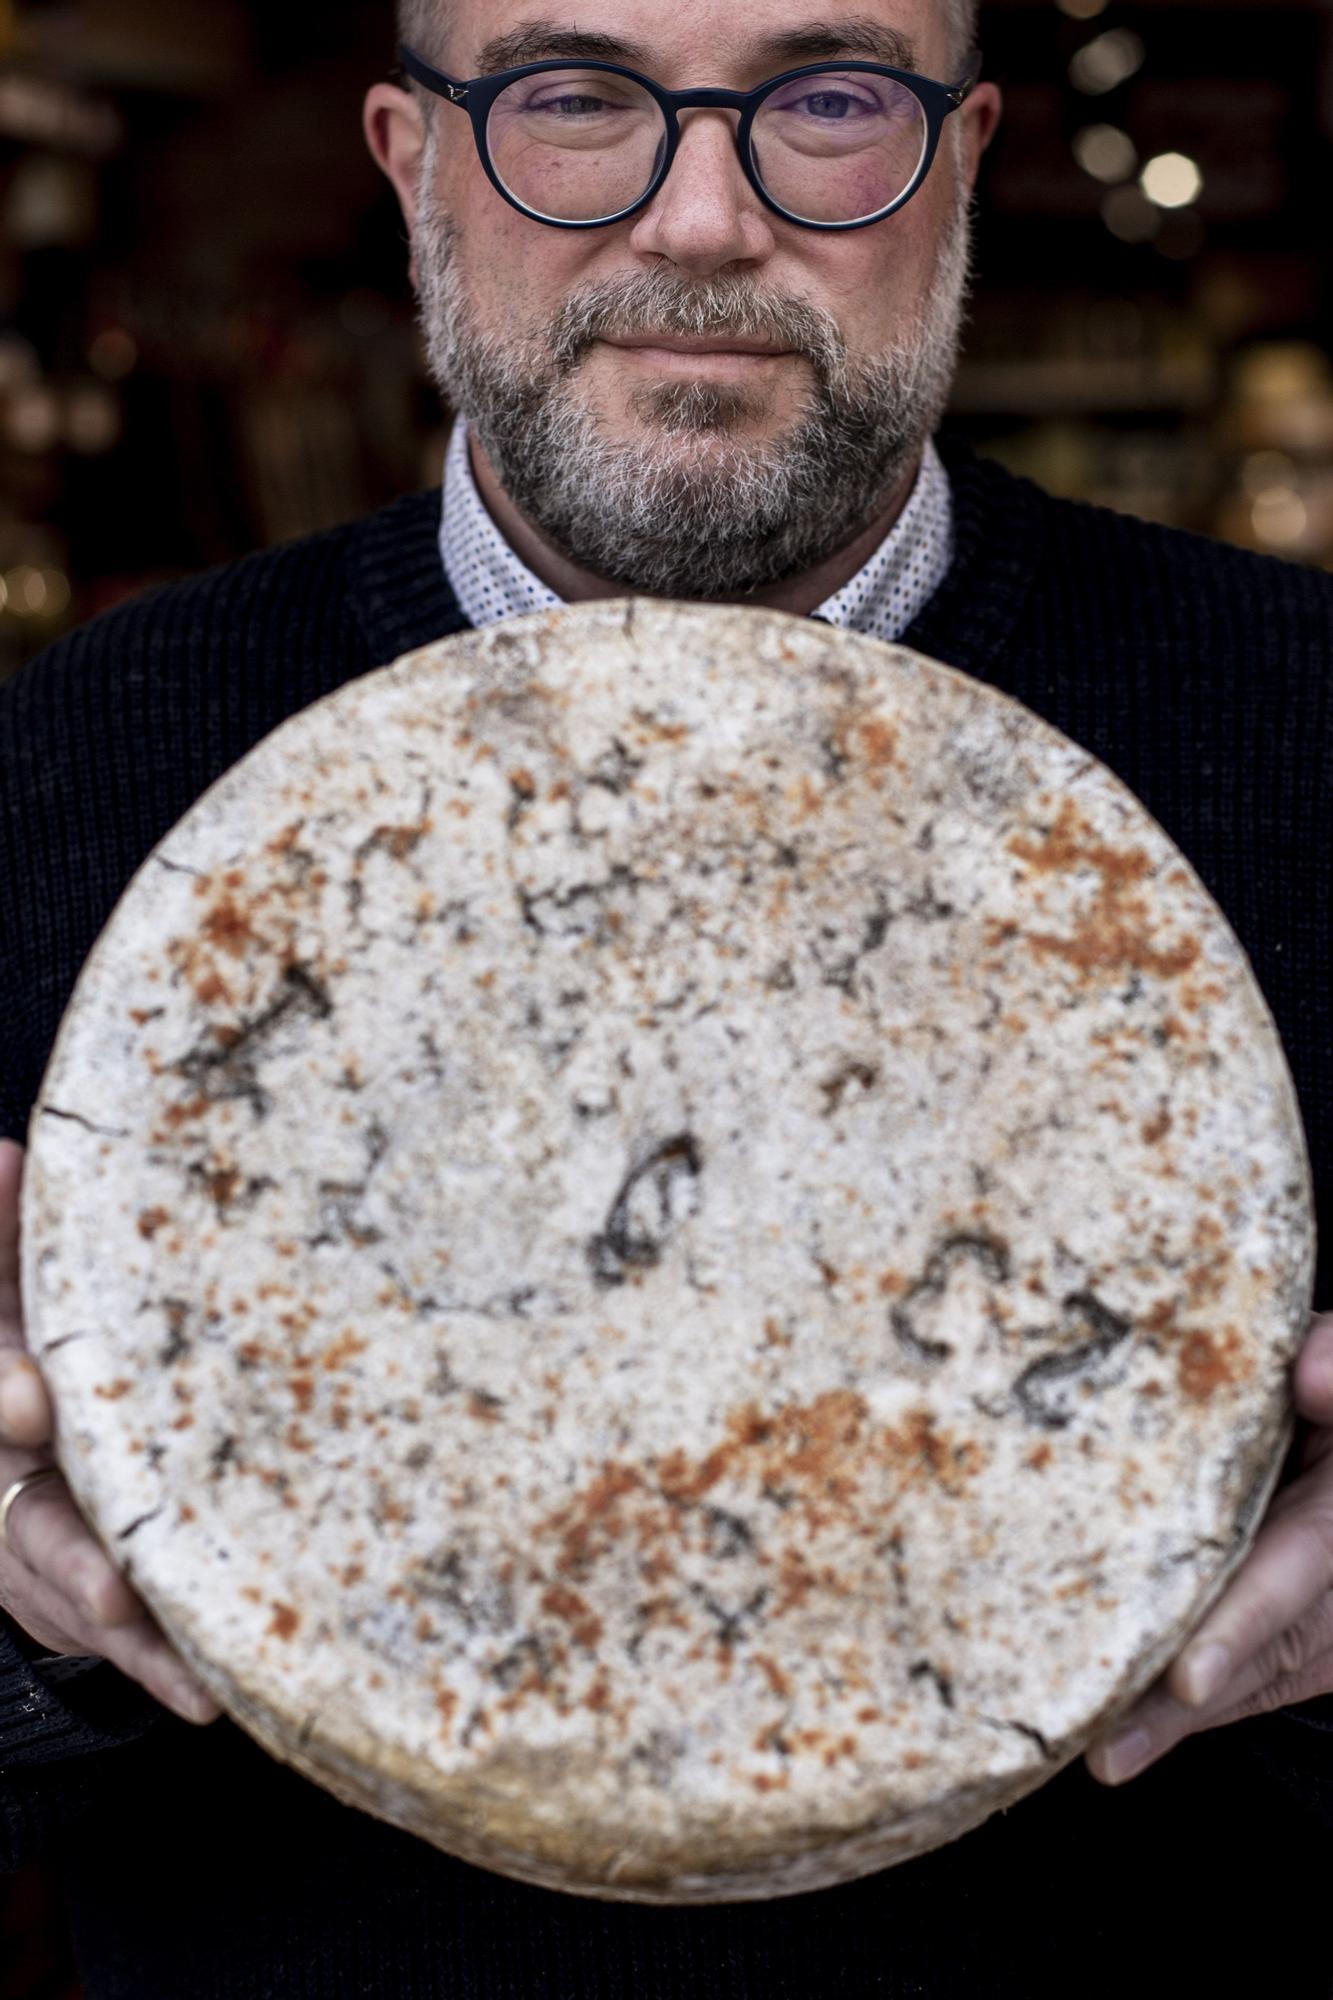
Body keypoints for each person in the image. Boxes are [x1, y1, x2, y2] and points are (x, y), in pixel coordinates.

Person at [1, 1, 1330, 1993]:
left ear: (960, 153)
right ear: (406, 155)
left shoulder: (1309, 727)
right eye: (570, 95)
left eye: (823, 99)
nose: (699, 217)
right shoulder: (65, 775)